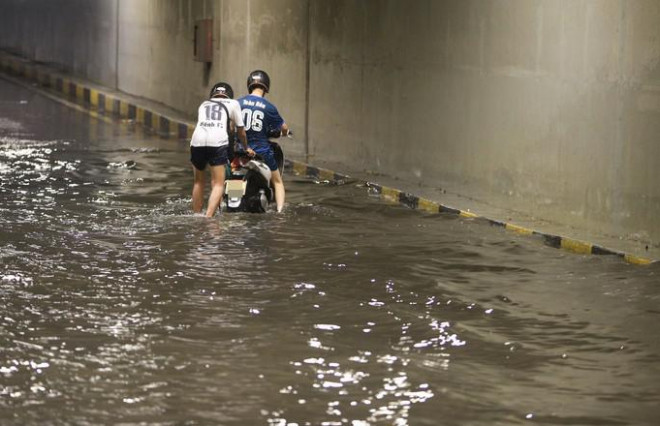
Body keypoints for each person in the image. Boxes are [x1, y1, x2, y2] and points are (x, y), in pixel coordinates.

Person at [190, 82, 254, 217]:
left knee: (198, 181)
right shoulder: (233, 105)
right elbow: (241, 132)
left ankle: (196, 215)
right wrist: (246, 147)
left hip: (197, 142)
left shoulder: (204, 105)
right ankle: (211, 216)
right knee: (220, 182)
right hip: (221, 147)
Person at [238, 70, 289, 212]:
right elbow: (284, 127)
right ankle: (279, 213)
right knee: (278, 182)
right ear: (266, 88)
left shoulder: (238, 103)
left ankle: (234, 200)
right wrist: (284, 133)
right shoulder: (269, 107)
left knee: (234, 177)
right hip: (262, 153)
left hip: (240, 151)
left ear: (249, 85)